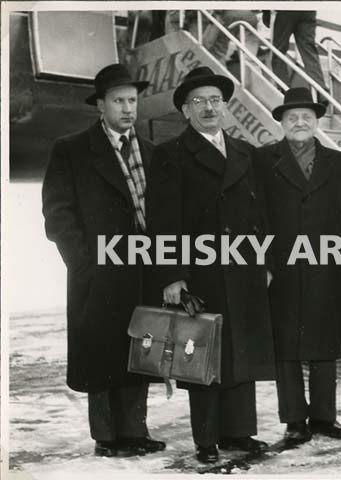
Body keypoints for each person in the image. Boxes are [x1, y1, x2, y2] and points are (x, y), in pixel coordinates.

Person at [146, 66, 276, 464]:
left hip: (244, 268)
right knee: (201, 352)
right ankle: (206, 439)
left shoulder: (245, 152)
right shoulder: (169, 154)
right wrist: (172, 275)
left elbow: (263, 211)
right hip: (200, 271)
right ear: (185, 111)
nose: (208, 108)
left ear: (225, 107)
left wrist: (266, 261)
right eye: (198, 101)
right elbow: (162, 220)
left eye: (215, 101)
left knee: (241, 353)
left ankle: (238, 432)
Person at [42, 64, 166, 457]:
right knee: (102, 353)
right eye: (118, 101)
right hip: (99, 273)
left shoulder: (150, 151)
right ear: (100, 105)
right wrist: (83, 264)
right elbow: (58, 215)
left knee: (140, 350)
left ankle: (135, 431)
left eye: (132, 100)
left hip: (143, 270)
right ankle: (107, 437)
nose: (128, 108)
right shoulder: (73, 149)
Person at [256, 87, 341, 445]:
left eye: (306, 117)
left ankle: (323, 417)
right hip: (283, 268)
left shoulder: (337, 162)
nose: (299, 122)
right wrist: (267, 262)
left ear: (316, 122)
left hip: (326, 268)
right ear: (282, 122)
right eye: (292, 117)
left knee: (324, 344)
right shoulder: (264, 159)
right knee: (286, 346)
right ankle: (294, 420)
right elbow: (256, 217)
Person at [264, 11, 329, 104]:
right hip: (308, 10)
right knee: (309, 53)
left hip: (287, 9)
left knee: (278, 52)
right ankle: (321, 92)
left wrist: (265, 13)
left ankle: (285, 90)